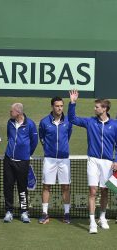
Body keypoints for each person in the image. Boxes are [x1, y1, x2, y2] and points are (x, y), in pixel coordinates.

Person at [68, 89, 117, 234]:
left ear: (105, 109)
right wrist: (72, 103)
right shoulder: (90, 121)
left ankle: (102, 217)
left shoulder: (115, 125)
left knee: (104, 190)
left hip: (108, 162)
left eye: (97, 107)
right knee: (92, 190)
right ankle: (92, 222)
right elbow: (72, 119)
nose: (94, 108)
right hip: (93, 160)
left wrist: (116, 160)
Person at [38, 96, 72, 224]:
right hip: (49, 159)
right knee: (46, 186)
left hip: (64, 159)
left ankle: (67, 213)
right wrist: (48, 148)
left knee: (65, 186)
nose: (59, 108)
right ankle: (45, 213)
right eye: (57, 106)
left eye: (61, 106)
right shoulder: (44, 122)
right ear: (52, 106)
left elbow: (68, 135)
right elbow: (41, 136)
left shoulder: (68, 121)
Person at [3, 103, 38, 223]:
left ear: (18, 112)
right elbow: (9, 137)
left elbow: (34, 142)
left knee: (22, 188)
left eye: (11, 111)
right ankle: (9, 211)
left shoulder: (31, 124)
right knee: (8, 186)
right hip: (9, 160)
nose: (10, 113)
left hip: (23, 162)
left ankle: (24, 212)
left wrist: (26, 154)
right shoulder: (10, 122)